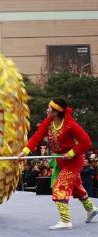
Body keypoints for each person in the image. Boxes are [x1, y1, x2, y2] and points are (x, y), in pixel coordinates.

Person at [18, 98, 98, 230]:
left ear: (55, 112)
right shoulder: (48, 122)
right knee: (76, 186)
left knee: (59, 187)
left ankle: (65, 221)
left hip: (74, 160)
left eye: (49, 108)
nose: (47, 110)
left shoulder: (71, 125)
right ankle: (91, 209)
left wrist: (71, 153)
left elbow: (86, 142)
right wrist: (24, 152)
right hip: (61, 160)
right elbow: (37, 137)